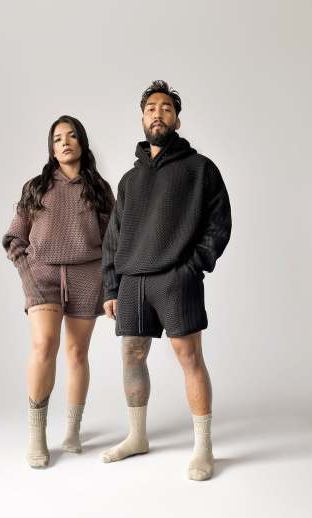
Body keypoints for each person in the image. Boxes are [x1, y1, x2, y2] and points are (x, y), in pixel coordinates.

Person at [101, 80, 232, 480]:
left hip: (176, 278)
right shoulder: (129, 180)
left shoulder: (200, 169)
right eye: (150, 109)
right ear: (142, 119)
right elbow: (114, 235)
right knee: (131, 355)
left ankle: (203, 448)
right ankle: (137, 436)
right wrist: (112, 286)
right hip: (133, 280)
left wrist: (194, 265)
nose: (157, 114)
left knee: (189, 358)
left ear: (176, 119)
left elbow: (219, 222)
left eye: (166, 108)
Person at [2, 115, 115, 469]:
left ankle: (72, 430)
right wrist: (27, 272)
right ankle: (37, 435)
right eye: (57, 139)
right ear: (51, 149)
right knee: (43, 346)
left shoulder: (99, 189)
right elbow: (14, 237)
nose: (64, 142)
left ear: (81, 142)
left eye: (71, 136)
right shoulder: (36, 187)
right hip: (44, 275)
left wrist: (111, 285)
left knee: (77, 353)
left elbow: (112, 242)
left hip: (87, 276)